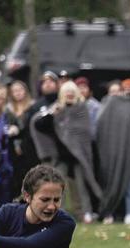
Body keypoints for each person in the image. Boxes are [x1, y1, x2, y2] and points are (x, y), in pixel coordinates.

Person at [30, 81, 102, 224]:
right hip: (60, 154)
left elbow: (84, 132)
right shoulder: (56, 109)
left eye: (72, 91)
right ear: (62, 94)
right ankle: (56, 213)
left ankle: (85, 213)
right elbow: (39, 125)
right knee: (56, 186)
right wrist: (52, 114)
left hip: (78, 155)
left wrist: (73, 144)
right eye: (66, 91)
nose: (69, 94)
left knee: (82, 186)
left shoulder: (82, 108)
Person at [95, 80, 130, 223]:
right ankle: (108, 211)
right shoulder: (103, 106)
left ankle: (129, 212)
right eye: (112, 92)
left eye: (117, 91)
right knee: (109, 182)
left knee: (128, 182)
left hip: (125, 151)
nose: (115, 95)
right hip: (108, 153)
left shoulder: (128, 105)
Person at [0, 87, 18, 216]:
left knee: (5, 185)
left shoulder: (8, 116)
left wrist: (14, 130)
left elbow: (18, 129)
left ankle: (3, 213)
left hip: (5, 156)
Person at [6, 81, 36, 198]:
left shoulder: (32, 107)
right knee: (15, 177)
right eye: (14, 91)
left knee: (30, 176)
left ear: (25, 91)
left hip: (29, 147)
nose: (17, 93)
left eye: (20, 90)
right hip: (12, 148)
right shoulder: (8, 110)